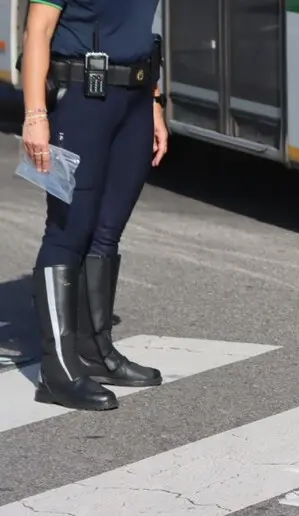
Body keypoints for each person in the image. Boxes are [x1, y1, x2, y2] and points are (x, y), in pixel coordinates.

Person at [20, 0, 169, 411]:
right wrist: (35, 115)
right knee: (69, 231)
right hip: (81, 100)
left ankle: (95, 352)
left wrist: (155, 103)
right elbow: (38, 32)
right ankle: (58, 372)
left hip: (135, 98)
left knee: (107, 230)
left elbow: (147, 29)